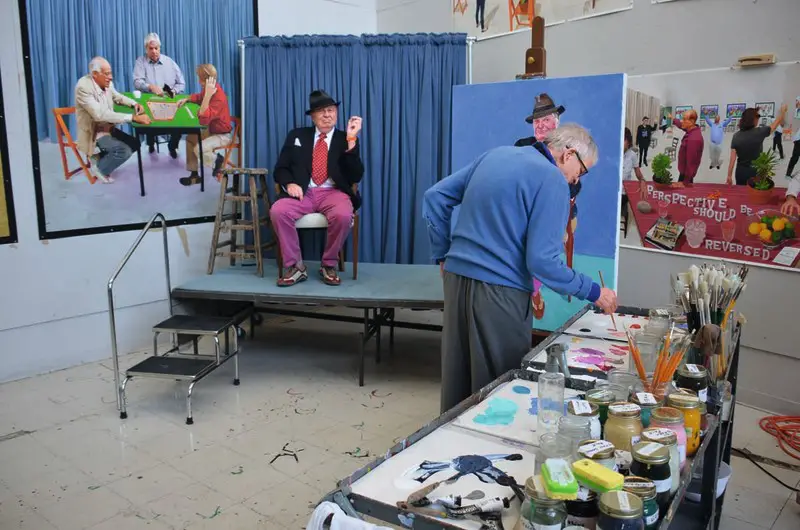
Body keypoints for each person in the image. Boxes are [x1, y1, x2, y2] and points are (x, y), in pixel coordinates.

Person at [423, 124, 618, 412]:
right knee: (500, 388)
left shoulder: (495, 155)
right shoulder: (552, 180)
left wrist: (442, 254)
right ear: (568, 153)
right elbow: (543, 261)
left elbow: (435, 197)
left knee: (457, 381)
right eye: (582, 170)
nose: (577, 178)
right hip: (500, 292)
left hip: (456, 279)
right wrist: (594, 291)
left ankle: (451, 451)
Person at [270, 90, 364, 287]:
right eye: (321, 111)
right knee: (278, 211)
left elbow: (356, 176)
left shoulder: (344, 139)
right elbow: (280, 168)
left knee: (343, 215)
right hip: (303, 193)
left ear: (336, 114)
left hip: (334, 193)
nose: (327, 115)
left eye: (331, 110)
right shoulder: (297, 135)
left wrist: (352, 140)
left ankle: (328, 264)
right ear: (313, 116)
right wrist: (289, 183)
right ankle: (296, 267)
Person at [514, 93, 574, 320]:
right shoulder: (522, 146)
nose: (540, 125)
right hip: (526, 209)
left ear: (556, 122)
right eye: (537, 121)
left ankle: (535, 290)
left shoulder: (567, 149)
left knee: (543, 243)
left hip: (556, 209)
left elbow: (574, 185)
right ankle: (527, 289)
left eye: (545, 120)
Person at [74, 57, 151, 184]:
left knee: (135, 143)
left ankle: (99, 157)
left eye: (110, 73)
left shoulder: (106, 83)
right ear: (94, 74)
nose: (111, 77)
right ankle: (100, 168)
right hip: (93, 133)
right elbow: (100, 114)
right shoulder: (83, 87)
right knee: (123, 151)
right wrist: (133, 117)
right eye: (107, 73)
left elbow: (117, 97)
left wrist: (134, 104)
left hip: (107, 128)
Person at [175, 64, 231, 186]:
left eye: (200, 78)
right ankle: (194, 176)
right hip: (212, 130)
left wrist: (207, 96)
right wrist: (188, 99)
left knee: (198, 148)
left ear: (205, 79)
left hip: (222, 135)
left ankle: (217, 160)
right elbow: (200, 97)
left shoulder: (218, 97)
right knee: (191, 138)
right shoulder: (209, 89)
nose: (199, 81)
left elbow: (204, 120)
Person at [133, 33, 186, 157]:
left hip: (169, 102)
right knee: (147, 120)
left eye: (156, 48)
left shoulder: (170, 62)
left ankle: (172, 147)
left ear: (160, 48)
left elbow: (181, 83)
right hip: (149, 102)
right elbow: (137, 82)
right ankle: (150, 144)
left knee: (178, 124)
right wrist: (150, 86)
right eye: (151, 49)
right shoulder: (140, 61)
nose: (154, 51)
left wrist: (174, 92)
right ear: (146, 48)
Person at [727, 104, 787, 186]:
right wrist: (783, 112)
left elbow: (732, 159)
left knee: (741, 195)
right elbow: (774, 125)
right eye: (757, 116)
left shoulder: (736, 136)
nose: (758, 119)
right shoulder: (759, 132)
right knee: (755, 195)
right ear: (753, 119)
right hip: (756, 172)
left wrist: (729, 176)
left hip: (741, 172)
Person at [670, 110, 704, 183]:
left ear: (691, 121)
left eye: (684, 119)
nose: (682, 121)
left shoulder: (693, 139)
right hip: (684, 172)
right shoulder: (692, 129)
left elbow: (691, 164)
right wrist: (673, 118)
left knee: (683, 193)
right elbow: (681, 125)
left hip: (686, 176)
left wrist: (685, 183)